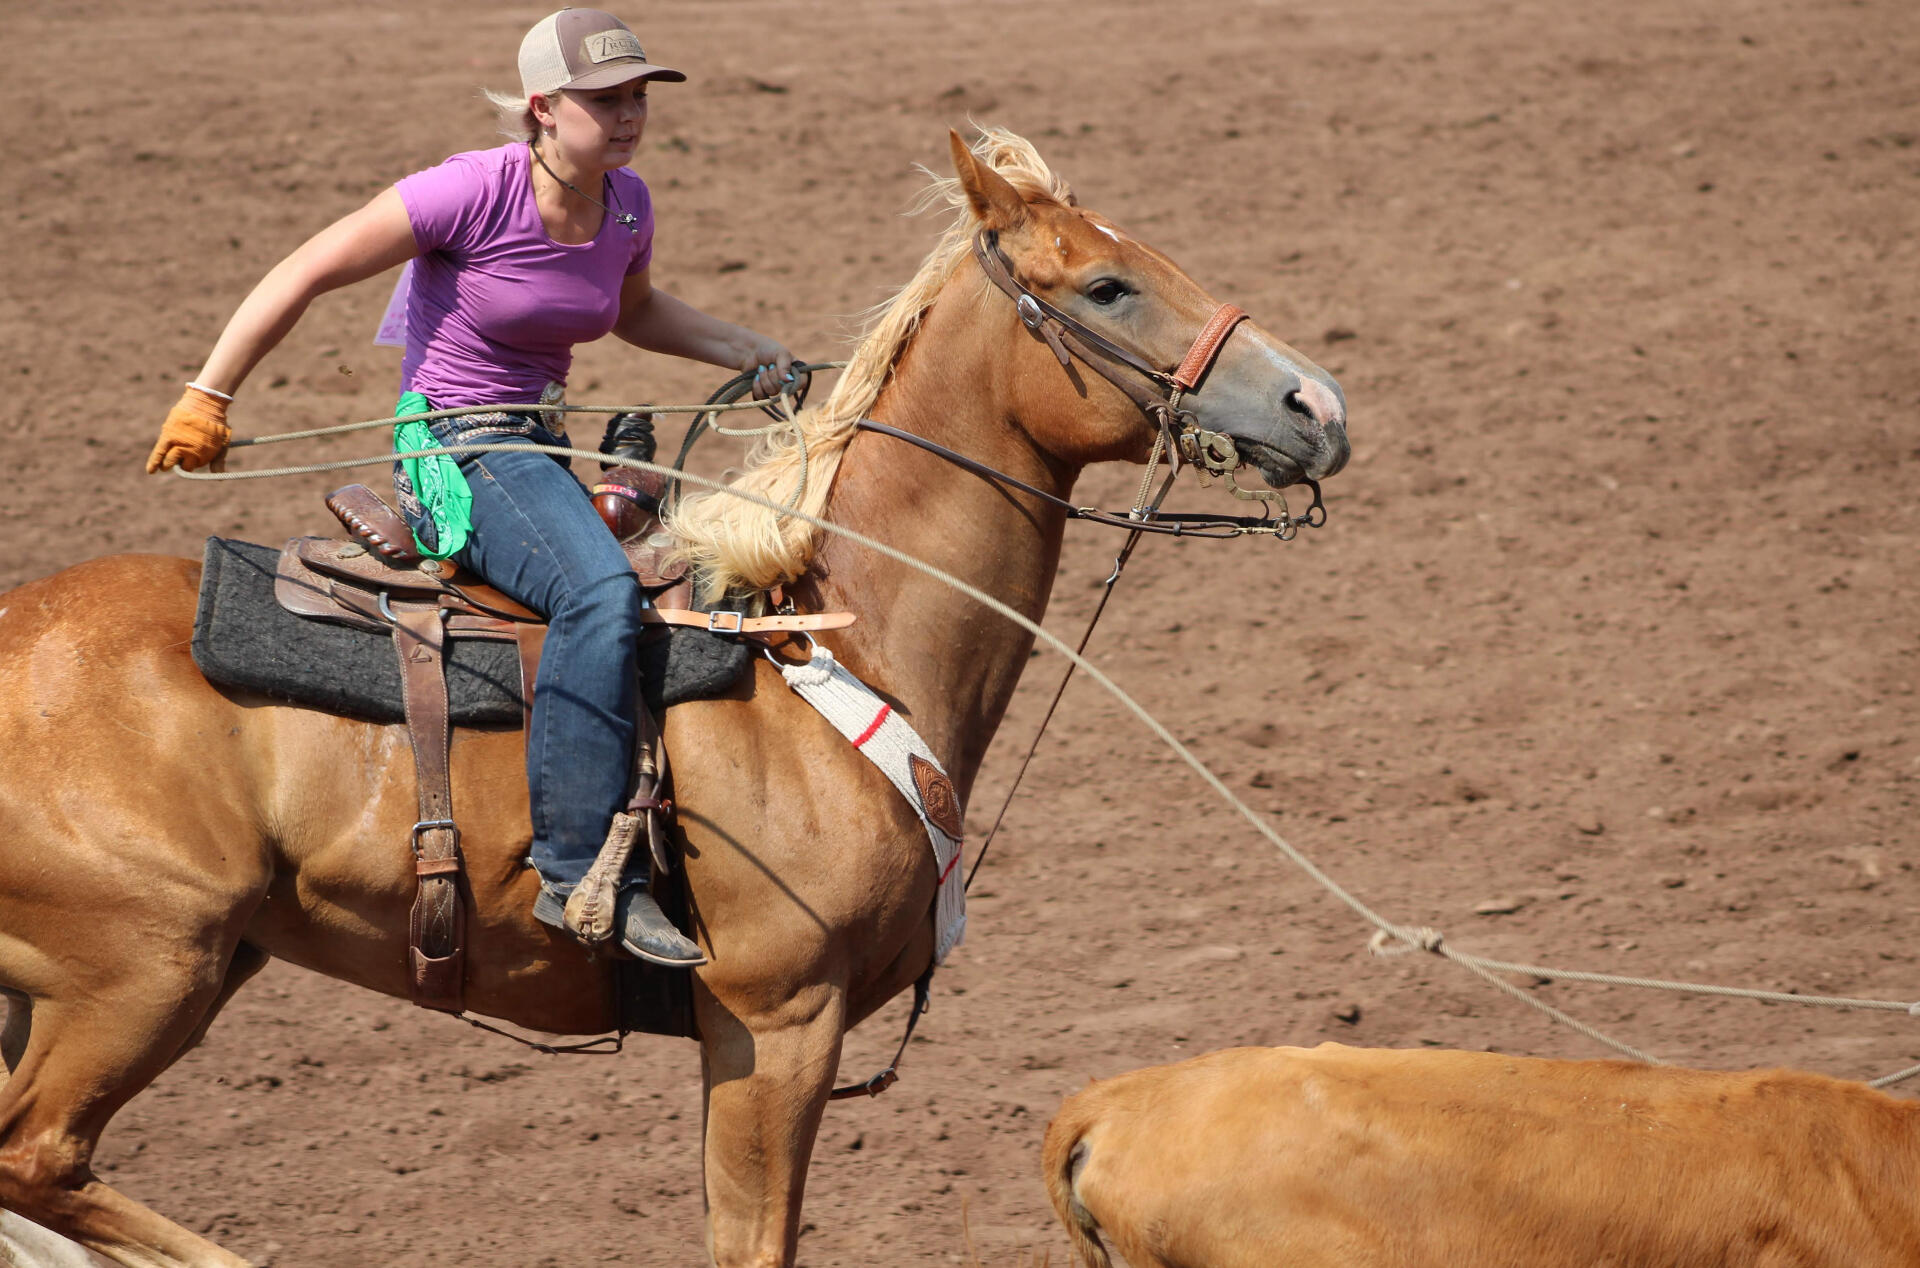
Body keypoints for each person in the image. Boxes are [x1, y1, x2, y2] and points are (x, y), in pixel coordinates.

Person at [145, 8, 799, 967]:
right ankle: (577, 873)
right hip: (454, 452)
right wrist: (208, 396)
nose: (628, 117)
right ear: (542, 107)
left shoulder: (626, 205)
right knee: (599, 592)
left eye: (638, 97)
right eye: (604, 99)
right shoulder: (467, 191)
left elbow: (635, 309)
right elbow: (306, 270)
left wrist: (750, 349)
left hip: (538, 446)